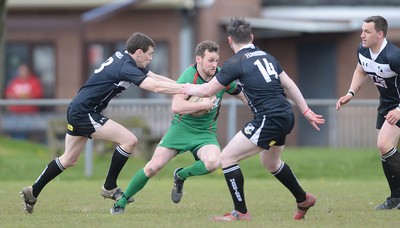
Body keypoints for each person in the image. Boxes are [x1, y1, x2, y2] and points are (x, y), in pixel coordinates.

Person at [20, 32, 185, 214]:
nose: (151, 58)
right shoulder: (126, 67)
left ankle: (33, 191)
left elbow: (154, 77)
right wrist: (187, 89)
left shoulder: (125, 59)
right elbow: (154, 86)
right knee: (129, 140)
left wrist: (183, 86)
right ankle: (109, 187)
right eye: (150, 54)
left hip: (78, 109)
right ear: (139, 52)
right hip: (84, 112)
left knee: (69, 159)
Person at [183, 17, 325, 221]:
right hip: (286, 115)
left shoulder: (235, 62)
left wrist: (183, 87)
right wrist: (306, 111)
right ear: (251, 37)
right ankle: (303, 199)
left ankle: (240, 212)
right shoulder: (268, 57)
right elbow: (290, 84)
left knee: (227, 158)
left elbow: (206, 90)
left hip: (269, 118)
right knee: (270, 162)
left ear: (230, 41)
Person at [110, 40, 247, 214]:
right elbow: (177, 107)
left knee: (213, 163)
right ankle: (121, 202)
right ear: (199, 59)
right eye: (210, 60)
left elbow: (239, 93)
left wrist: (253, 104)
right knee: (153, 167)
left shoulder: (221, 77)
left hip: (205, 133)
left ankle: (180, 175)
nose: (214, 65)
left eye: (216, 61)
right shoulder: (188, 77)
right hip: (181, 129)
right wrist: (202, 105)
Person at [336, 15, 400, 210]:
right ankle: (396, 198)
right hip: (386, 105)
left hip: (398, 106)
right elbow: (361, 70)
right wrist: (351, 92)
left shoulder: (393, 56)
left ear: (379, 34)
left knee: (384, 143)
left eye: (367, 31)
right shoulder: (362, 50)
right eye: (362, 30)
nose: (362, 35)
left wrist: (399, 110)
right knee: (384, 150)